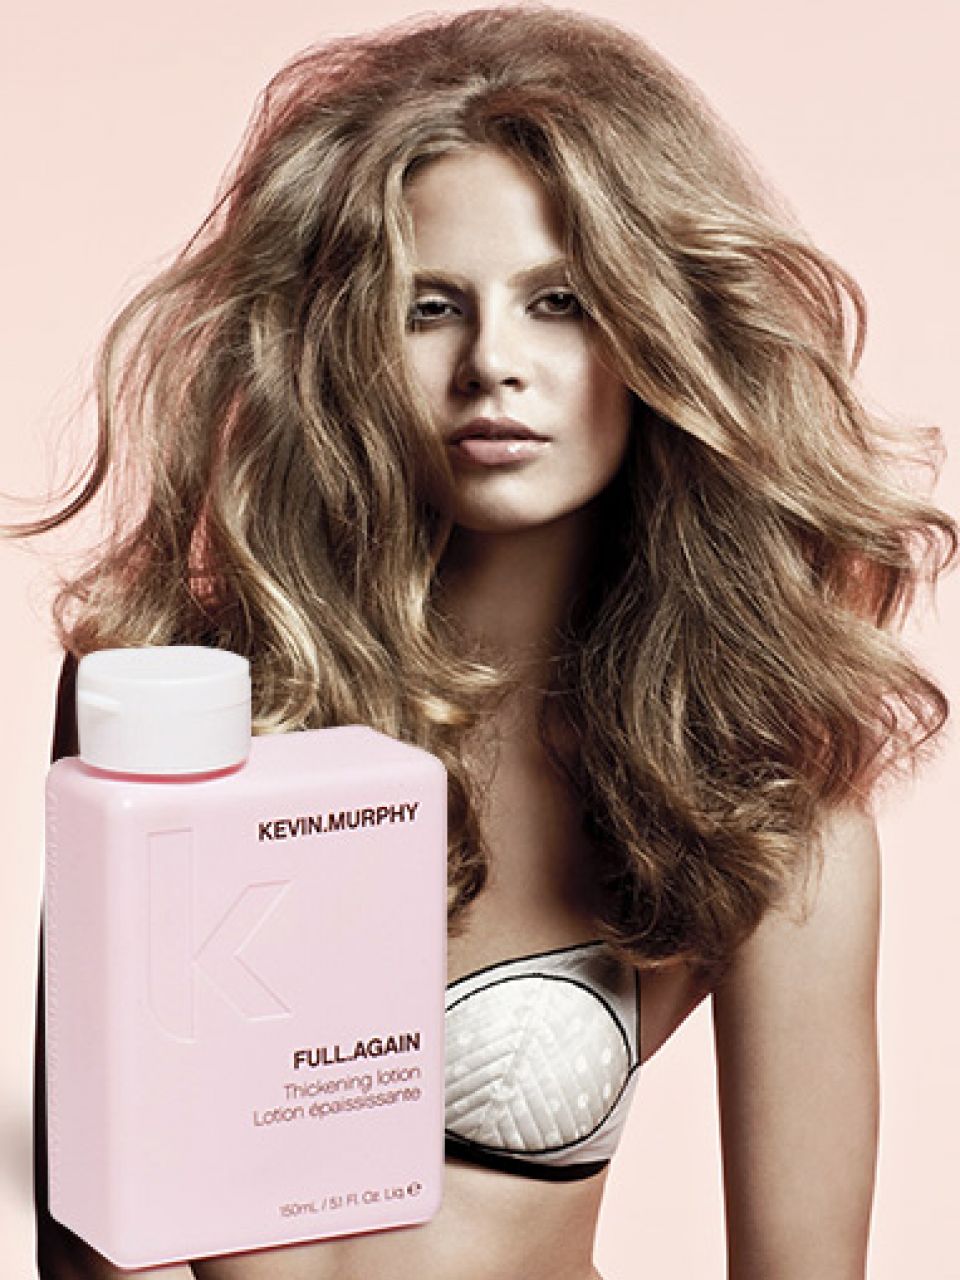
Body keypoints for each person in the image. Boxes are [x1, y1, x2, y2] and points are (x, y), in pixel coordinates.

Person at [14, 7, 956, 1278]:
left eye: (560, 302)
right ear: (341, 341)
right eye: (429, 306)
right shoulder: (165, 703)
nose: (493, 363)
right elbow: (84, 1232)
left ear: (657, 332)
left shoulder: (760, 795)